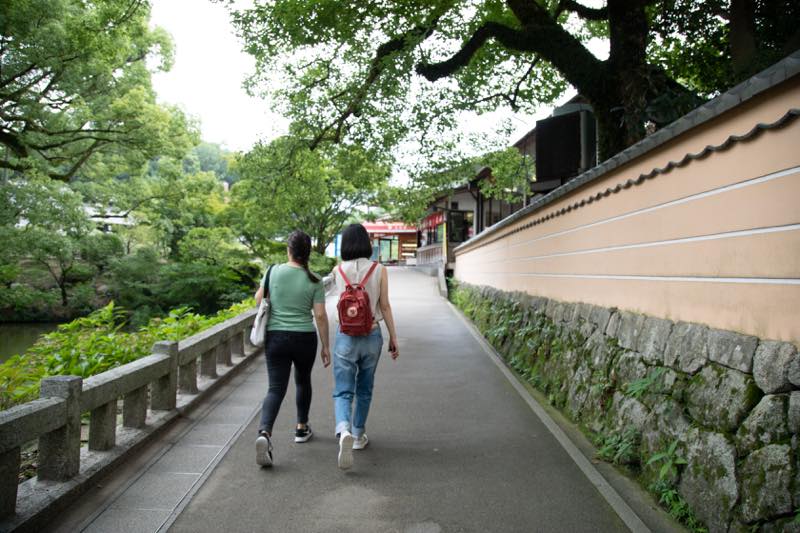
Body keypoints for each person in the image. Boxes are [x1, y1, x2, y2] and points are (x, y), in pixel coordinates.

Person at [254, 230, 330, 467]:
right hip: (305, 338)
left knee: (275, 388)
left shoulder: (272, 271)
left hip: (276, 337)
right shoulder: (315, 280)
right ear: (308, 253)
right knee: (303, 380)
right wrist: (326, 346)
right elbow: (319, 315)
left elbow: (259, 300)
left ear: (288, 250)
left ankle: (264, 433)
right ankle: (301, 428)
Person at [332, 223, 399, 470]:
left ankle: (343, 429)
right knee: (365, 388)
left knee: (342, 390)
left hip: (345, 337)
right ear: (366, 243)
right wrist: (393, 337)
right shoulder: (379, 270)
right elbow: (386, 306)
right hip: (371, 336)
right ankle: (358, 435)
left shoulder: (338, 270)